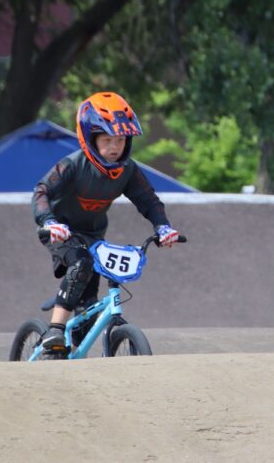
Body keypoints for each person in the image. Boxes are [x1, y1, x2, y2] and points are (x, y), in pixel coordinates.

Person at [32, 92, 181, 353]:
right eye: (107, 140)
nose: (115, 147)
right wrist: (49, 221)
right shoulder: (73, 165)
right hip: (60, 233)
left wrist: (163, 227)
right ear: (90, 139)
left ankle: (75, 344)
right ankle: (54, 331)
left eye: (121, 140)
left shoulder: (127, 171)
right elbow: (42, 191)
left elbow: (148, 201)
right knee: (81, 264)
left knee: (89, 308)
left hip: (93, 236)